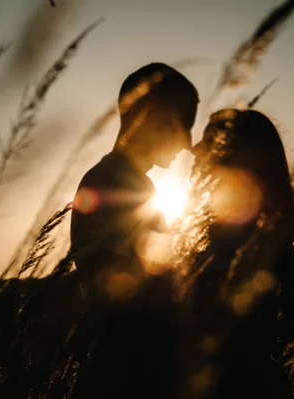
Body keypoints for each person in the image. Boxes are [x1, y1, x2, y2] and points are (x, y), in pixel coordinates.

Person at [70, 62, 199, 398]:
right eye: (184, 125)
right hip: (124, 379)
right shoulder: (110, 184)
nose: (188, 144)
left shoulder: (133, 184)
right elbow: (134, 300)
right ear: (157, 117)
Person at [178, 108, 294, 398]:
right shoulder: (238, 229)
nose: (195, 149)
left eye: (207, 140)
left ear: (232, 153)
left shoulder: (242, 238)